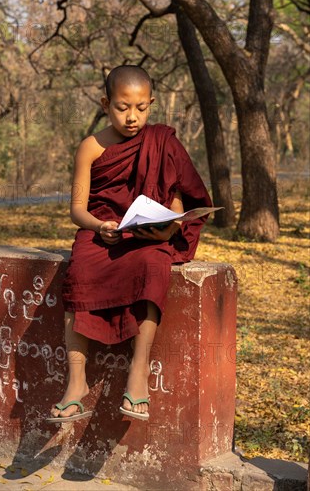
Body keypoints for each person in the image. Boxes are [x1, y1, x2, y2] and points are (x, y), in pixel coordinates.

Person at [47, 65, 212, 422]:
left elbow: (176, 195)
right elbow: (77, 209)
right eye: (123, 107)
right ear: (106, 103)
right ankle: (76, 383)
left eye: (141, 107)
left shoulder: (162, 140)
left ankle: (138, 373)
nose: (133, 117)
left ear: (151, 103)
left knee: (155, 265)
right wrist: (99, 225)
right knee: (79, 275)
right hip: (101, 232)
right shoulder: (91, 147)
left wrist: (169, 228)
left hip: (146, 236)